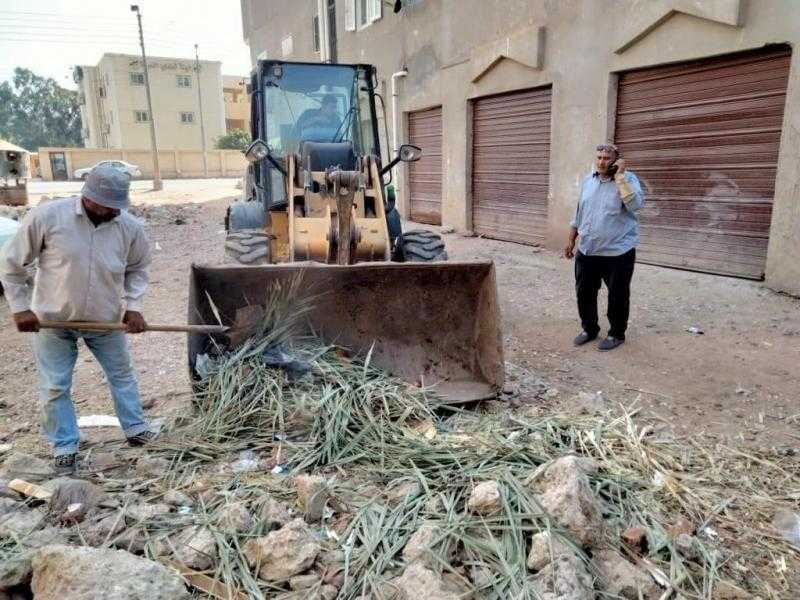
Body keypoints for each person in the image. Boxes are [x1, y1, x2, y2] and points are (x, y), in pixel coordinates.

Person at [0, 164, 155, 474]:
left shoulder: (129, 227)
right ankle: (65, 447)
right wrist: (20, 307)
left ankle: (136, 429)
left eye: (119, 207)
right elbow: (11, 264)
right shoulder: (48, 217)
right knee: (55, 385)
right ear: (89, 197)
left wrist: (133, 305)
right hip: (53, 321)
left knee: (122, 375)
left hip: (105, 320)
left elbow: (139, 268)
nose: (116, 212)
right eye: (110, 207)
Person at [564, 143, 645, 351]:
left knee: (617, 295)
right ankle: (589, 329)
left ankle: (617, 333)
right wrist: (571, 239)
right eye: (599, 157)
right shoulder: (588, 181)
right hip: (588, 250)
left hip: (617, 252)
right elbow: (579, 212)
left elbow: (635, 205)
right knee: (584, 292)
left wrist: (620, 177)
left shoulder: (628, 180)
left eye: (607, 158)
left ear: (616, 161)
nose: (602, 162)